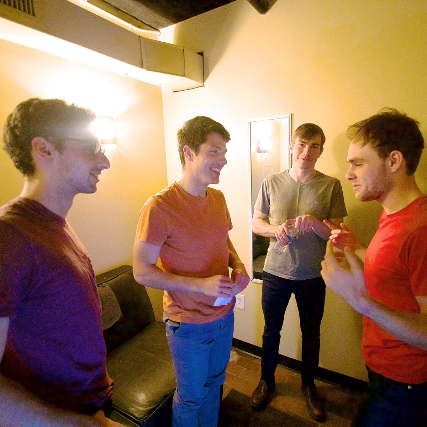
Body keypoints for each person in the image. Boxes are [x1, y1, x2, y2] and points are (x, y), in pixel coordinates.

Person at [0, 98, 123, 426]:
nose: (105, 161)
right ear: (43, 148)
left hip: (92, 404)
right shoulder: (8, 235)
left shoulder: (56, 224)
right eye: (90, 148)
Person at [133, 116, 250, 427]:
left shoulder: (218, 198)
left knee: (215, 384)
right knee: (191, 397)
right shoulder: (159, 207)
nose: (224, 160)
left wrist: (238, 264)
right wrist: (200, 286)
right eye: (214, 151)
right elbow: (141, 272)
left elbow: (223, 240)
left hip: (223, 315)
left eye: (224, 152)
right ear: (188, 152)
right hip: (188, 325)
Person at [321, 108, 427, 427]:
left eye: (358, 163)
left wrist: (359, 300)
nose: (348, 173)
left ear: (393, 161)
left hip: (405, 385)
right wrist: (357, 248)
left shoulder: (421, 229)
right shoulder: (393, 213)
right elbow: (398, 273)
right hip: (382, 370)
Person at [251, 123, 347, 422]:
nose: (307, 151)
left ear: (321, 150)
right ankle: (266, 381)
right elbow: (256, 223)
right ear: (292, 146)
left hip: (312, 276)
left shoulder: (331, 185)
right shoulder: (271, 181)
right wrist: (275, 229)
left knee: (311, 334)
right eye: (302, 144)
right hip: (275, 272)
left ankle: (309, 386)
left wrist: (316, 223)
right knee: (271, 332)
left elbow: (338, 234)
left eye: (314, 146)